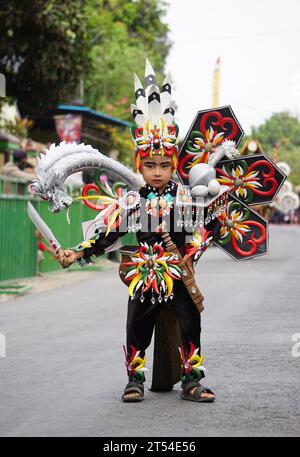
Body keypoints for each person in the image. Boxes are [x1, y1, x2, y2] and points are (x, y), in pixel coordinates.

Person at [56, 61, 219, 403]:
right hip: (144, 271)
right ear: (138, 164)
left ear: (173, 165)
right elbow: (108, 234)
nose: (157, 172)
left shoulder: (187, 197)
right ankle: (134, 380)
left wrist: (194, 251)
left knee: (190, 323)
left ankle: (192, 379)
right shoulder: (132, 201)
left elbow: (206, 229)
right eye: (150, 165)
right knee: (136, 324)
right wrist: (77, 252)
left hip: (178, 270)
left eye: (163, 165)